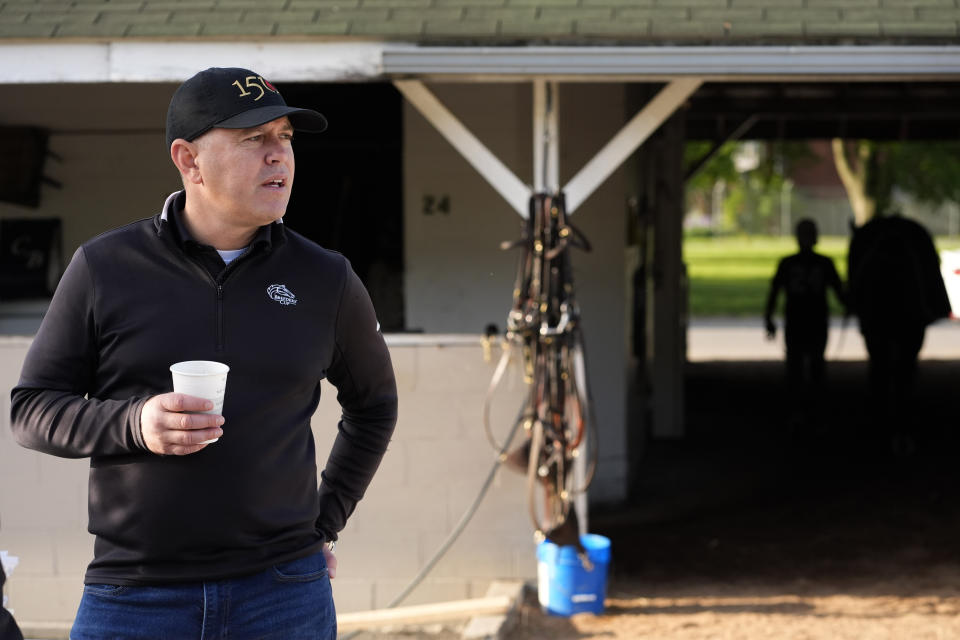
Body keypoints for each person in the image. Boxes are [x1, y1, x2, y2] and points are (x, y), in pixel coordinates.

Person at [9, 67, 398, 639]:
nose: (279, 156)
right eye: (253, 139)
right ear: (188, 160)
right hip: (134, 595)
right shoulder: (105, 268)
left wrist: (324, 524)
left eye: (285, 138)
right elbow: (31, 409)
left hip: (283, 594)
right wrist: (135, 422)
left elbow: (375, 407)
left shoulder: (327, 279)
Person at [764, 219, 845, 422]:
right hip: (815, 322)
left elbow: (774, 293)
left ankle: (798, 412)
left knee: (796, 368)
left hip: (797, 322)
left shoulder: (788, 263)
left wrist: (769, 318)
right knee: (815, 367)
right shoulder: (825, 263)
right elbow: (840, 294)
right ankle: (813, 412)